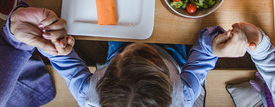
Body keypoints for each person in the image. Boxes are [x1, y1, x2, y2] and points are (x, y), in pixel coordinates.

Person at [40, 26, 245, 106]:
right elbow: (203, 55)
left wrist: (57, 48)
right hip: (173, 53)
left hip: (120, 43)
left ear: (103, 78)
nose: (143, 45)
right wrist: (214, 46)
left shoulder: (86, 94)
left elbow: (65, 64)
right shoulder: (186, 94)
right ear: (170, 86)